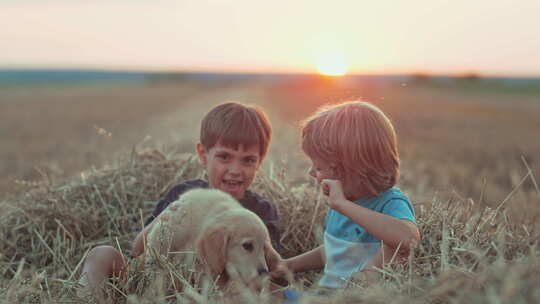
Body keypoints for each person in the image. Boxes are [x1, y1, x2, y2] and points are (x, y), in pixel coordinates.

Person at [79, 101, 283, 301]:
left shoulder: (260, 211)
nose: (235, 170)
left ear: (260, 162)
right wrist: (172, 214)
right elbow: (139, 249)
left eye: (248, 160)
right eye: (224, 157)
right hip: (149, 281)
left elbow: (268, 268)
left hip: (211, 292)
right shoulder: (186, 194)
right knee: (102, 254)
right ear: (203, 155)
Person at [272, 101, 420, 294]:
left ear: (348, 169)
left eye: (318, 167)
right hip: (325, 294)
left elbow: (408, 240)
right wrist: (288, 266)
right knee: (259, 287)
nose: (310, 173)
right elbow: (336, 252)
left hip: (355, 297)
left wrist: (342, 205)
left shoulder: (389, 203)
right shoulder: (344, 203)